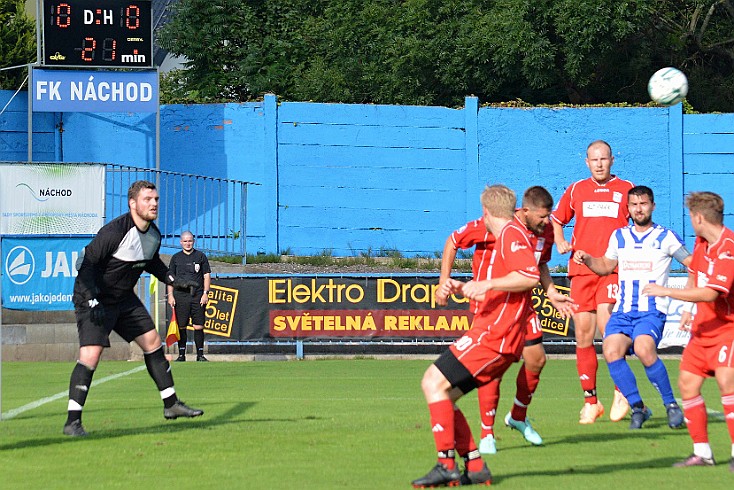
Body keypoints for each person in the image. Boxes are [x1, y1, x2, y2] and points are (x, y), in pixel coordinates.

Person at [412, 184, 559, 487]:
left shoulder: (510, 235)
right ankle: (475, 465)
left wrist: (487, 285)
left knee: (431, 382)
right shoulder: (512, 233)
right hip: (494, 330)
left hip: (495, 335)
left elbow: (529, 275)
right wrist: (458, 285)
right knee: (446, 396)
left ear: (486, 211)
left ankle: (446, 464)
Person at [436, 186, 576, 454]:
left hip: (523, 306)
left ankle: (518, 416)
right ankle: (487, 433)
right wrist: (444, 280)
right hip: (491, 306)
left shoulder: (542, 232)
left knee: (537, 359)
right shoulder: (497, 225)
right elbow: (453, 240)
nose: (548, 223)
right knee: (493, 367)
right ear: (524, 211)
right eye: (543, 218)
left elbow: (539, 266)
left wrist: (553, 293)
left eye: (549, 217)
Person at [63, 180, 204, 437]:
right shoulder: (114, 232)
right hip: (92, 297)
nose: (153, 204)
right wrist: (92, 298)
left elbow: (151, 264)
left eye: (156, 199)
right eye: (147, 200)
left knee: (152, 341)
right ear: (132, 204)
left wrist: (174, 281)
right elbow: (86, 265)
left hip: (123, 299)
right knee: (91, 354)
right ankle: (72, 422)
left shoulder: (154, 235)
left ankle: (171, 405)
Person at [573, 186, 688, 430]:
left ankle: (671, 406)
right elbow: (605, 265)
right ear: (628, 208)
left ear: (653, 206)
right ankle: (638, 407)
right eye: (634, 204)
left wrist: (678, 297)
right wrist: (587, 259)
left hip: (651, 311)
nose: (639, 209)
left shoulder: (666, 237)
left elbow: (694, 264)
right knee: (611, 349)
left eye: (643, 204)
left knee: (644, 349)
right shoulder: (619, 236)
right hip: (624, 312)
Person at [643, 191, 734, 470]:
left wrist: (666, 291)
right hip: (702, 330)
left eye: (690, 217)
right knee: (688, 385)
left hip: (727, 331)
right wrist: (686, 311)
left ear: (698, 217)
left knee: (727, 387)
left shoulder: (728, 248)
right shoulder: (702, 241)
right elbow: (695, 270)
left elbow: (710, 294)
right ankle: (702, 453)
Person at [551, 139, 635, 424]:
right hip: (580, 270)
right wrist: (560, 240)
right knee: (583, 335)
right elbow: (556, 219)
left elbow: (638, 226)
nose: (599, 164)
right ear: (586, 162)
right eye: (594, 160)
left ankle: (621, 391)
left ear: (612, 160)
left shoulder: (626, 189)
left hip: (611, 270)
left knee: (607, 327)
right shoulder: (576, 189)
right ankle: (591, 401)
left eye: (604, 159)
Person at [168, 231, 212, 362]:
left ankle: (200, 355)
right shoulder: (176, 258)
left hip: (197, 296)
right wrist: (170, 295)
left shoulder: (200, 256)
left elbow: (206, 276)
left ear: (194, 241)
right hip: (180, 296)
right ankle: (181, 355)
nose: (188, 243)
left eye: (190, 241)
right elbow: (170, 278)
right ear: (181, 242)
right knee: (181, 325)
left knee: (198, 326)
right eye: (185, 241)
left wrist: (205, 293)